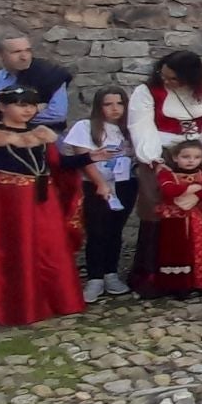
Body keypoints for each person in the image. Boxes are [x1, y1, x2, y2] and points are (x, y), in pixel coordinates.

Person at [0, 85, 85, 326]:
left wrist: (89, 158)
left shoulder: (43, 134)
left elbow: (58, 165)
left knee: (51, 247)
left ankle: (58, 301)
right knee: (15, 250)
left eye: (31, 105)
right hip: (8, 204)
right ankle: (14, 307)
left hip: (44, 201)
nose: (28, 110)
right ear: (2, 106)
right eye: (21, 105)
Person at [128, 51, 202, 295]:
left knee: (201, 209)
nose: (167, 82)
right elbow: (141, 125)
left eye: (173, 78)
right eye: (164, 76)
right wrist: (153, 158)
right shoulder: (148, 92)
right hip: (162, 157)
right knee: (159, 211)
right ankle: (156, 277)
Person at [65, 86, 137, 300]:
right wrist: (100, 183)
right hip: (96, 184)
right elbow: (84, 158)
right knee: (97, 231)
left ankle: (111, 273)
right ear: (99, 106)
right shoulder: (85, 127)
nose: (115, 109)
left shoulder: (130, 129)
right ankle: (95, 278)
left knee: (115, 230)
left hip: (125, 183)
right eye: (108, 104)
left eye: (119, 103)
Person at [151, 139, 202, 294]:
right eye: (186, 156)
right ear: (176, 157)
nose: (191, 160)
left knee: (201, 248)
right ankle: (179, 284)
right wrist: (193, 188)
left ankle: (201, 281)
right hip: (176, 222)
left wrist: (188, 191)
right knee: (178, 249)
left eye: (196, 157)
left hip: (200, 220)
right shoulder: (167, 173)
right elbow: (168, 191)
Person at [0, 33, 70, 130]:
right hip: (1, 137)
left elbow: (57, 115)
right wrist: (34, 110)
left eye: (28, 51)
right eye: (16, 52)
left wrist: (4, 115)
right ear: (0, 55)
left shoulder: (50, 75)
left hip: (42, 137)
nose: (24, 57)